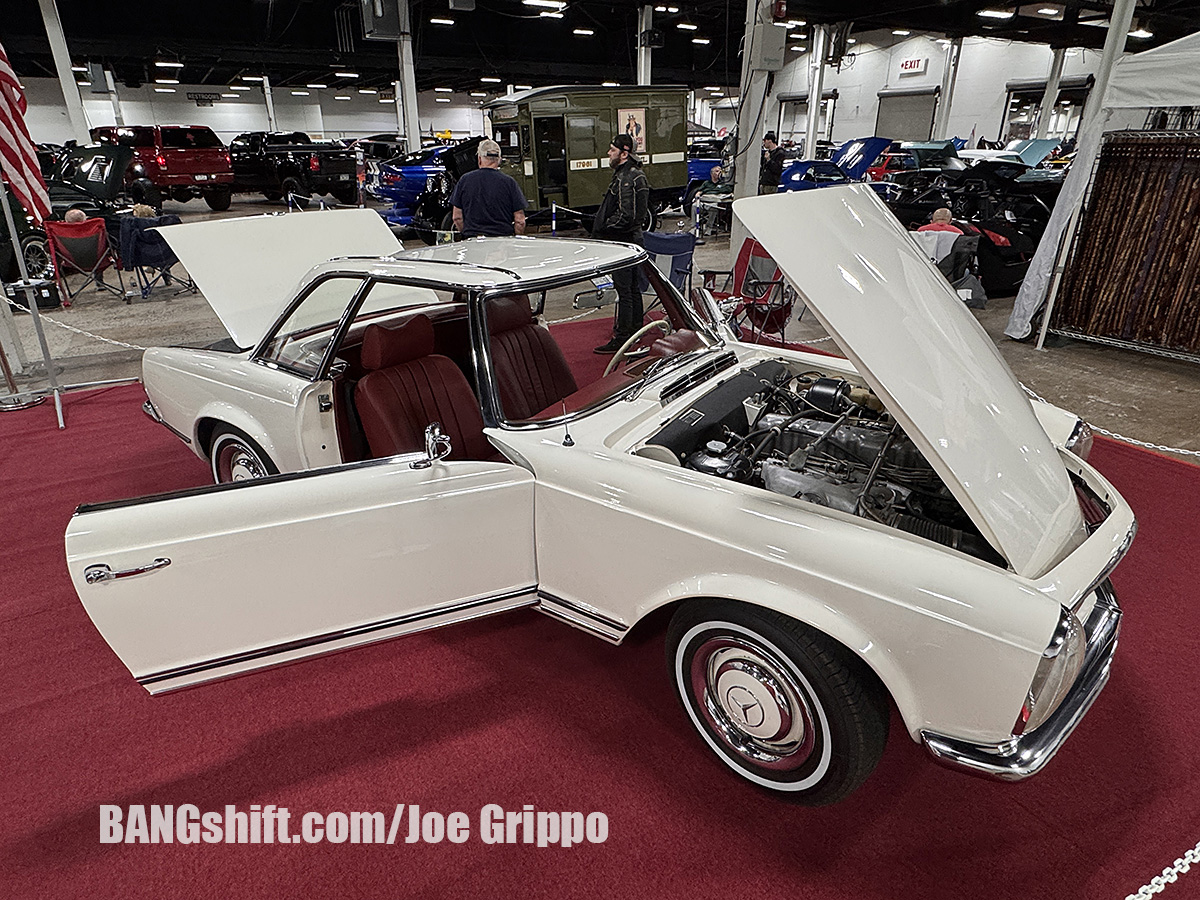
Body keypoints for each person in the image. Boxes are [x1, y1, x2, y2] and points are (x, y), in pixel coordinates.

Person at [592, 133, 651, 355]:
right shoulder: (631, 175)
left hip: (624, 241)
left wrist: (606, 228)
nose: (609, 153)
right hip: (631, 239)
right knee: (631, 288)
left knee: (624, 289)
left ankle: (624, 335)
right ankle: (634, 329)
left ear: (624, 153)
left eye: (612, 150)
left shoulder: (628, 177)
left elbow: (627, 215)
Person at [450, 139, 527, 238]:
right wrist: (516, 238)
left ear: (479, 159)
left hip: (473, 240)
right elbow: (520, 221)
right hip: (502, 241)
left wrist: (466, 234)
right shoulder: (509, 182)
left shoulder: (464, 180)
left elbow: (457, 217)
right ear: (499, 160)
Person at [694, 165, 733, 241]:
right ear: (712, 174)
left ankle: (709, 228)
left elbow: (729, 191)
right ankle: (694, 227)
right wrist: (697, 195)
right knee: (694, 206)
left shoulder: (723, 184)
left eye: (720, 171)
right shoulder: (707, 183)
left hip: (714, 201)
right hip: (705, 200)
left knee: (713, 208)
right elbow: (699, 191)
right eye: (717, 171)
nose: (719, 173)